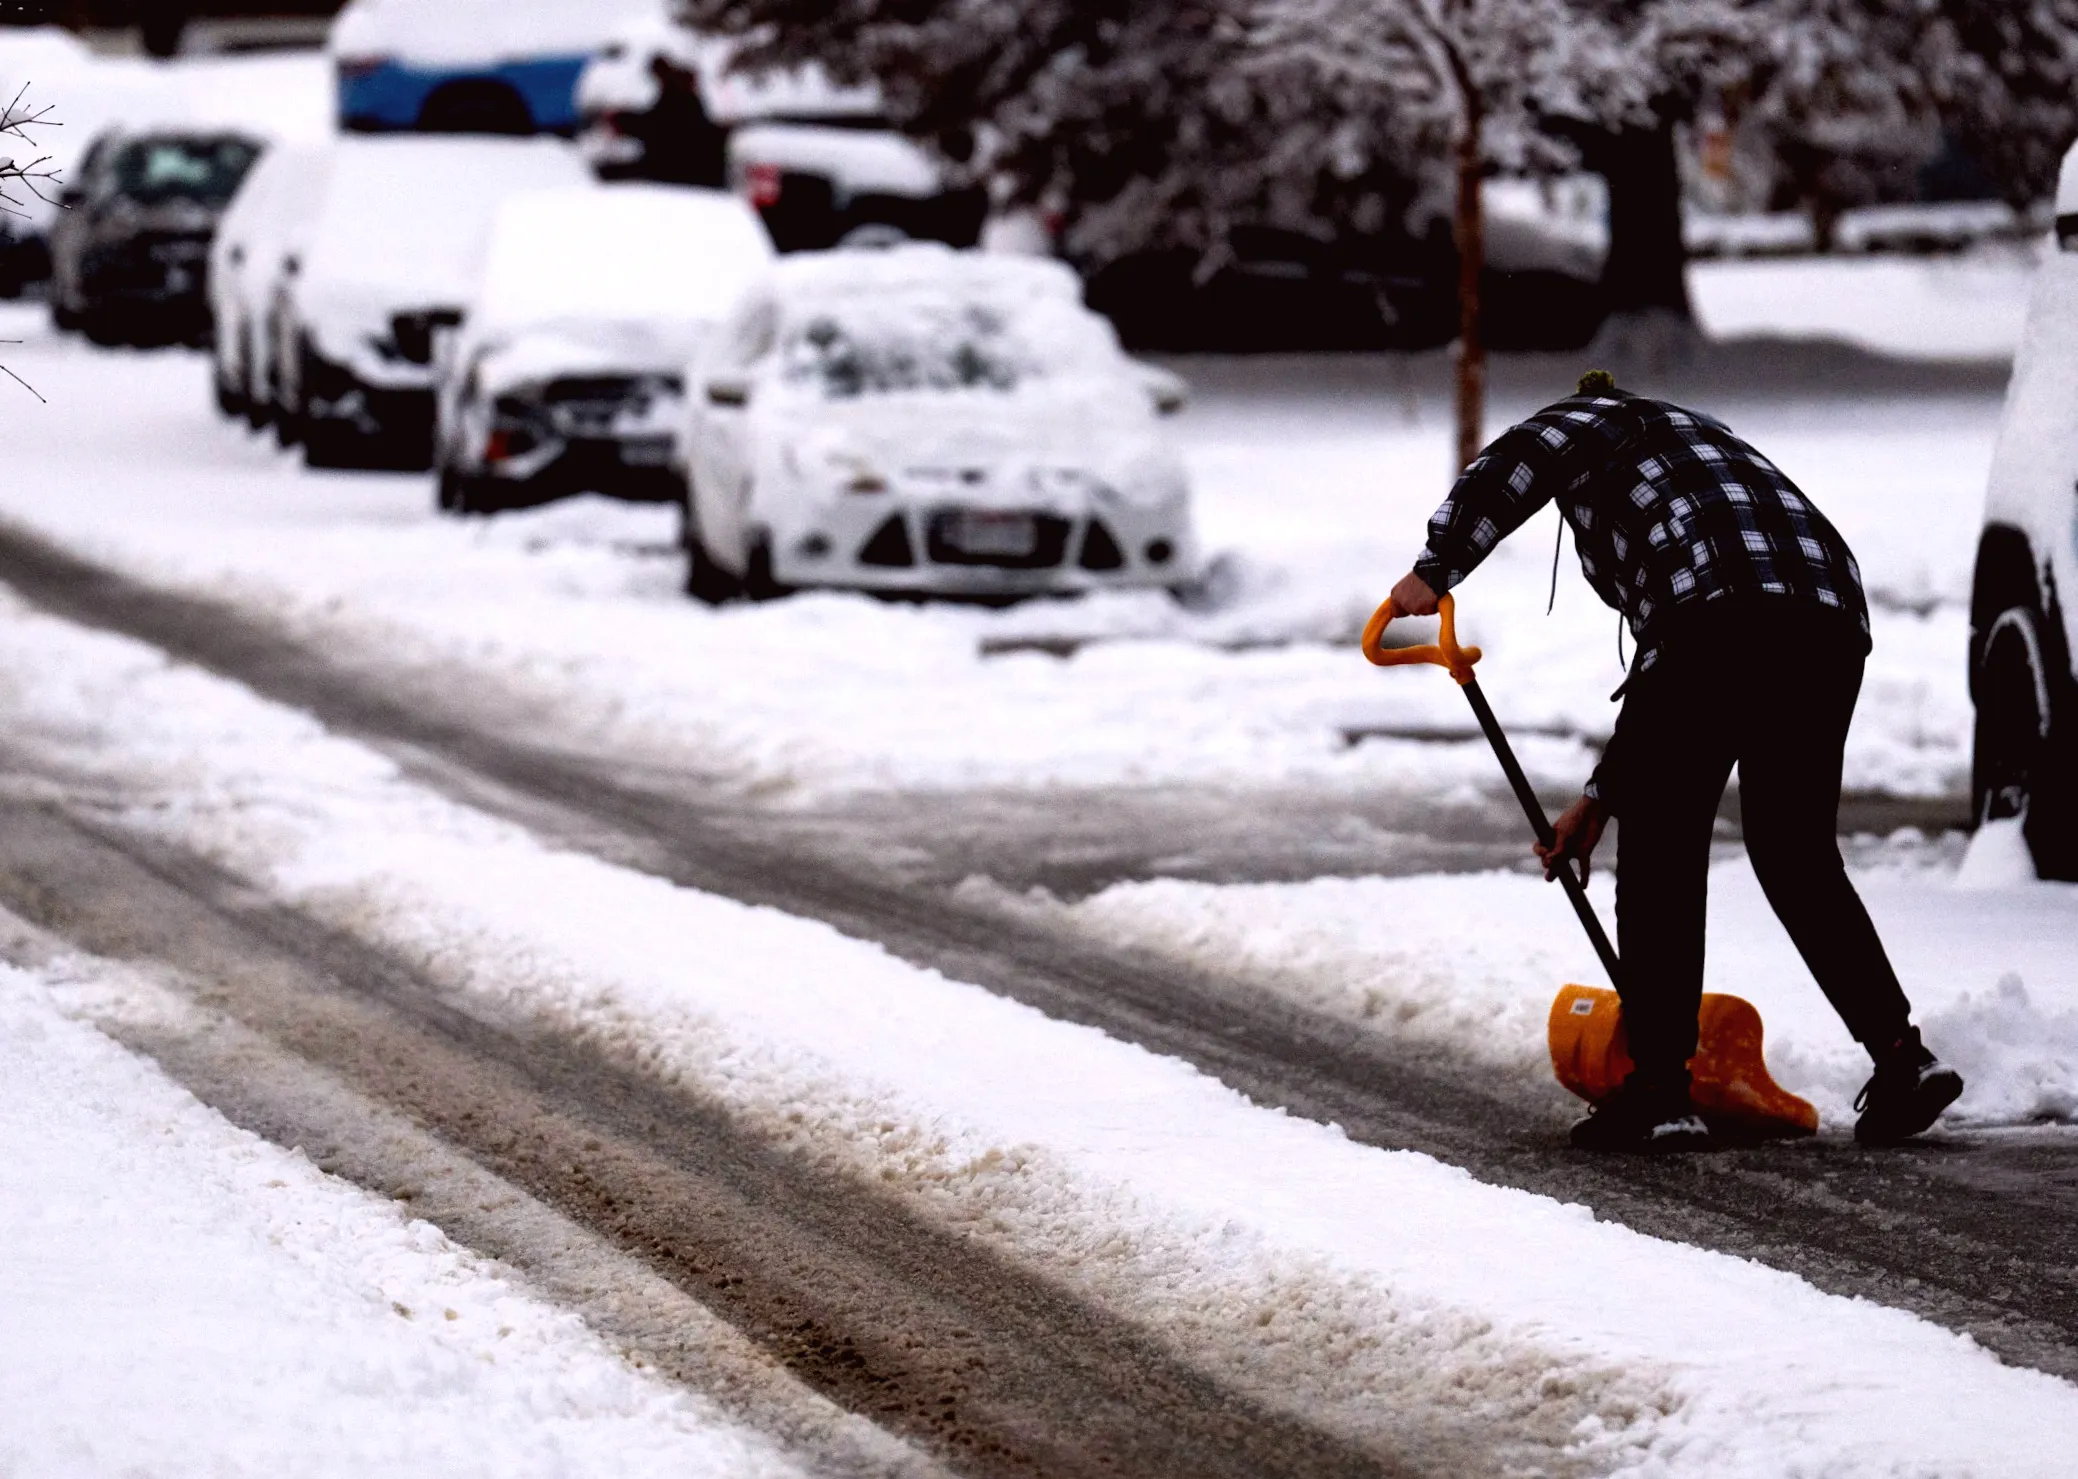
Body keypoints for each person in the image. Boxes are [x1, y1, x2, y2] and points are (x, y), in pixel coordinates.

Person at [1388, 369, 1963, 1152]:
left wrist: (1437, 566)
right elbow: (1667, 685)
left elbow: (1527, 455)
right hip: (1828, 616)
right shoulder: (1702, 442)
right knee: (1794, 848)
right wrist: (1597, 800)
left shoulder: (1594, 423)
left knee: (1663, 842)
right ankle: (1903, 1057)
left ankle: (1660, 1089)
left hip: (1717, 611)